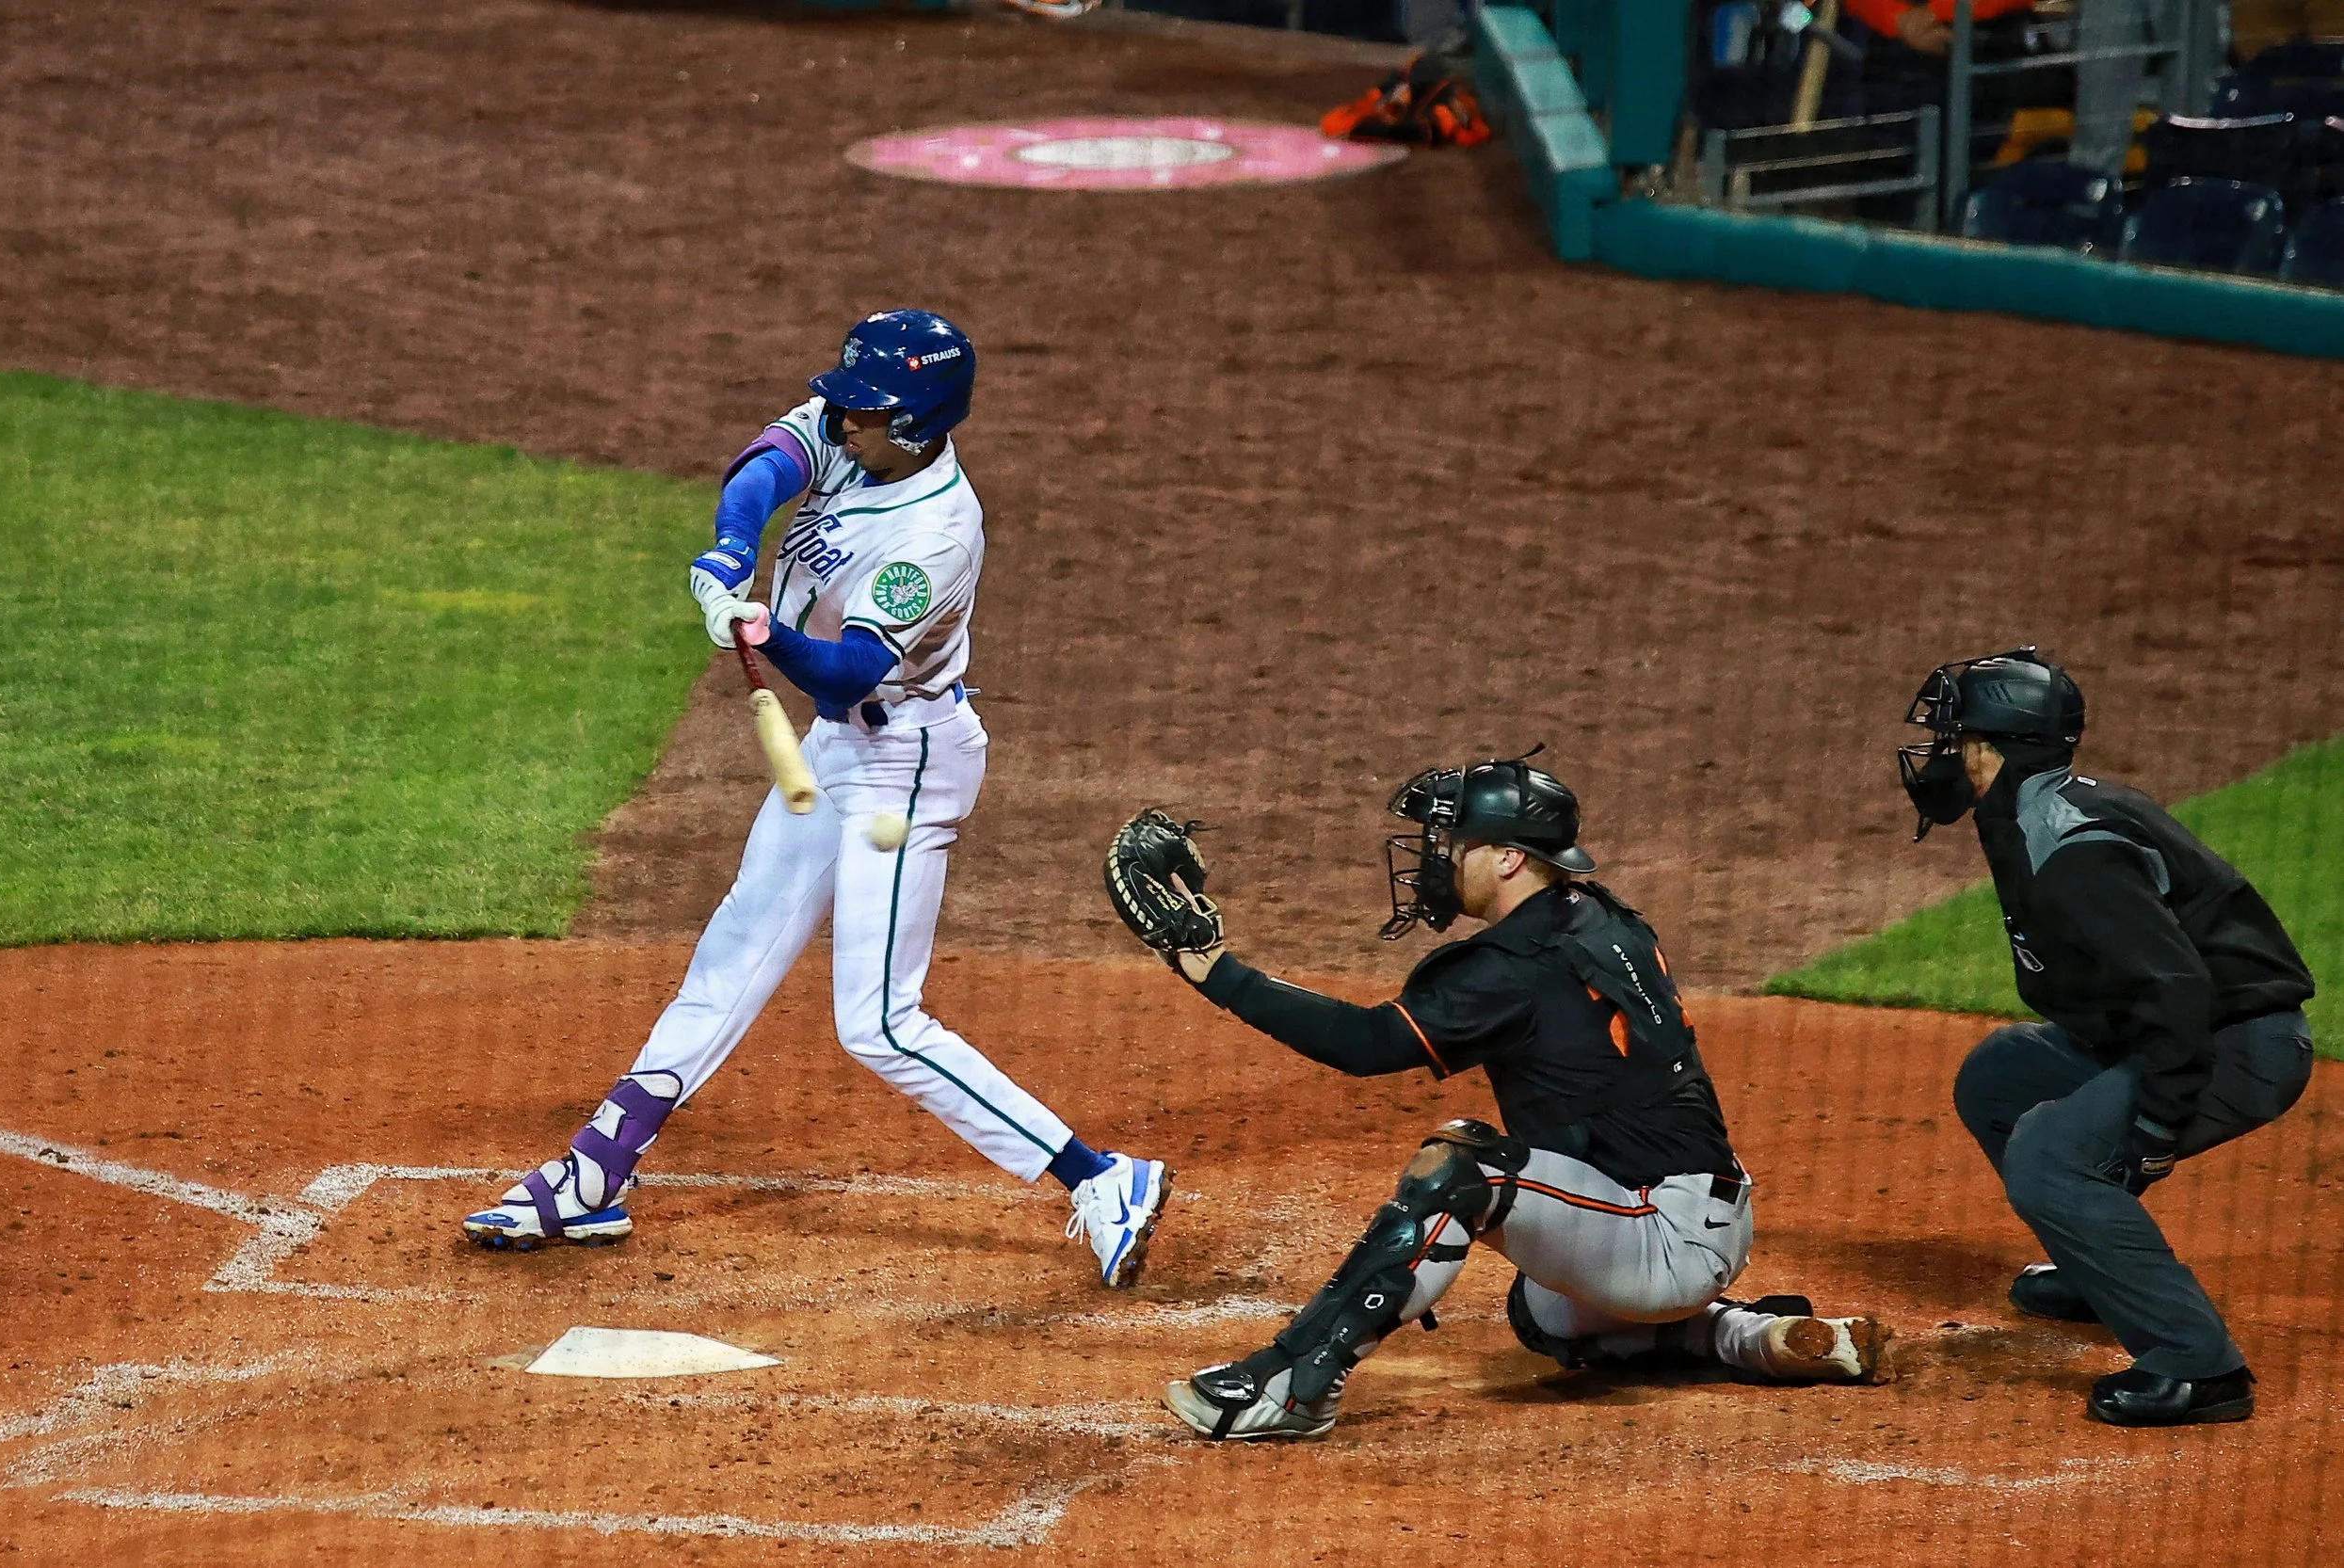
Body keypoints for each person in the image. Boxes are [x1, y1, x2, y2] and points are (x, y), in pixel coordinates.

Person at [462, 310, 1171, 1288]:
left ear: (916, 423)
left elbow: (845, 672)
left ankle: (1103, 1178)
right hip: (840, 747)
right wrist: (730, 548)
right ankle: (597, 1171)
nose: (841, 421)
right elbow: (765, 464)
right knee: (737, 943)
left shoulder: (935, 534)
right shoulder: (859, 436)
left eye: (863, 411)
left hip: (904, 761)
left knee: (879, 1022)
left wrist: (763, 631)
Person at [1119, 758, 1889, 1442]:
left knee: (1462, 1170)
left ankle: (1292, 1388)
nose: (1435, 859)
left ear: (1510, 858)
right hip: (1693, 1213)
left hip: (1660, 1233)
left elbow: (1365, 1044)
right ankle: (1742, 1337)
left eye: (1453, 843)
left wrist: (1213, 968)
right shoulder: (1602, 918)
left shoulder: (1514, 966)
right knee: (1543, 1310)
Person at [1900, 648, 2318, 1425]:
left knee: (2049, 1156)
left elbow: (2179, 991)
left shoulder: (2072, 850)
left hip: (2234, 1045)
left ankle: (2199, 1367)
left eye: (1957, 739)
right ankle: (2101, 1271)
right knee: (2000, 1076)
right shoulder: (2025, 812)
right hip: (2175, 1031)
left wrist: (2156, 1122)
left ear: (1999, 749)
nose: (1942, 755)